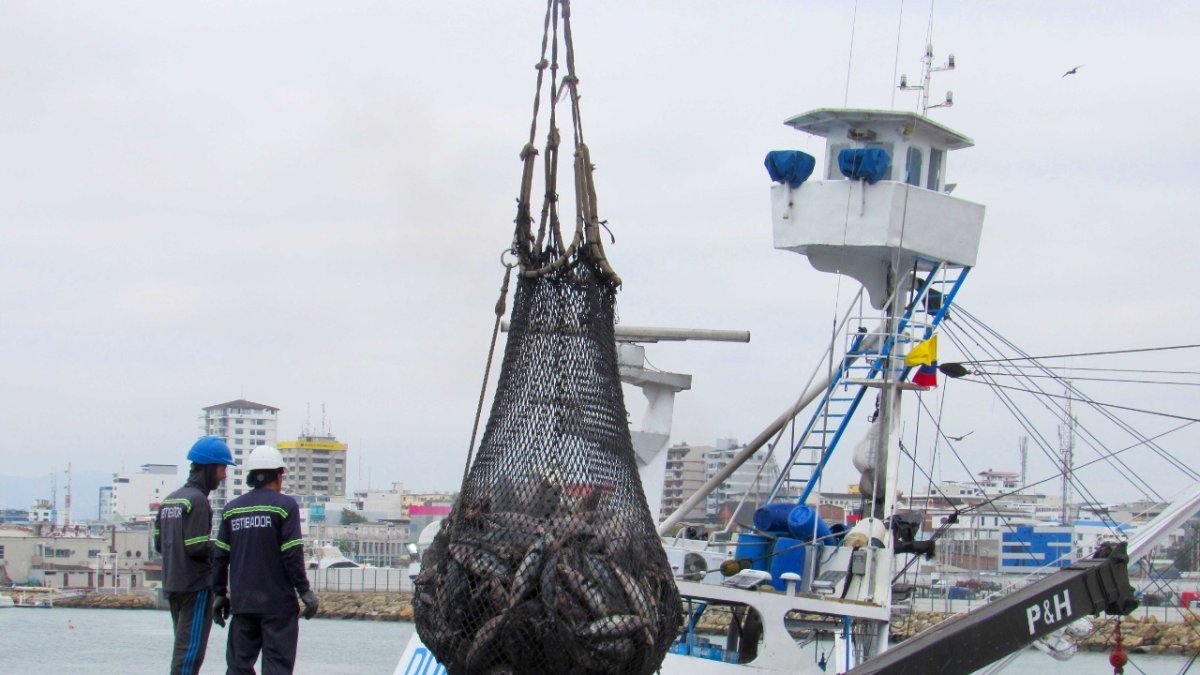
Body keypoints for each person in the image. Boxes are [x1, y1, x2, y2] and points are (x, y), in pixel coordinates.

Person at [211, 445, 318, 675]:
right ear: (278, 476)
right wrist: (305, 591)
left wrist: (219, 593)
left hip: (243, 604)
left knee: (238, 667)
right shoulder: (284, 507)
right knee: (277, 668)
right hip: (278, 606)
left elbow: (220, 556)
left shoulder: (231, 511)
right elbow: (292, 554)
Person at [155, 435, 237, 675]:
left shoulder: (169, 500)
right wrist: (225, 548)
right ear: (210, 467)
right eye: (222, 468)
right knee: (190, 655)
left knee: (181, 650)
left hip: (173, 585)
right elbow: (197, 546)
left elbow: (160, 545)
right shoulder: (198, 501)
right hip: (195, 587)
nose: (224, 475)